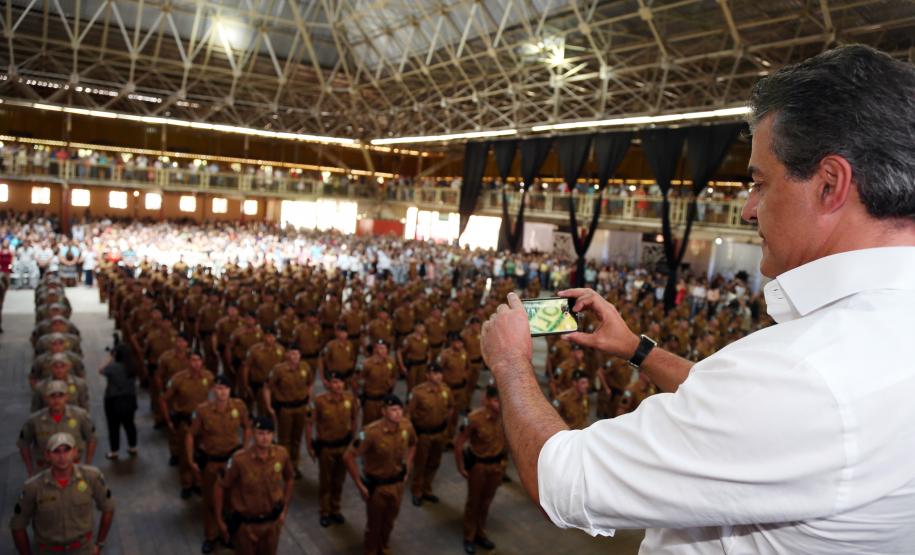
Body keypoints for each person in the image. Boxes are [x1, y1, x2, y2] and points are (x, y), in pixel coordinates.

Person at [478, 45, 915, 553]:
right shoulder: (872, 336)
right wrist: (637, 350)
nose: (749, 211)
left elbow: (564, 480)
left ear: (830, 184)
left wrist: (510, 362)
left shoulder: (808, 372)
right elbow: (749, 418)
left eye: (760, 182)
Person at [10, 433, 115, 555]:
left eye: (67, 450)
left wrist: (100, 544)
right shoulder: (33, 487)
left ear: (75, 452)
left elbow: (108, 507)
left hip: (83, 550)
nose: (62, 456)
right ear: (47, 455)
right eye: (56, 451)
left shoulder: (91, 477)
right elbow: (17, 525)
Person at [344, 394, 417, 555]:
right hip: (377, 488)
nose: (397, 413)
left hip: (397, 484)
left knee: (389, 521)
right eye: (393, 410)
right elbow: (348, 456)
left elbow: (413, 445)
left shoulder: (406, 427)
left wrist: (408, 466)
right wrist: (359, 484)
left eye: (399, 409)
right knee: (374, 525)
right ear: (383, 411)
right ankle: (371, 550)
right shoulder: (369, 433)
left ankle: (383, 547)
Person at [187, 375, 251, 554]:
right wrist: (191, 460)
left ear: (230, 390)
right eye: (218, 388)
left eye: (225, 388)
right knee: (210, 501)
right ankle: (211, 535)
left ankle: (228, 535)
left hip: (232, 462)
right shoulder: (203, 411)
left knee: (232, 500)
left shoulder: (239, 406)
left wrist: (245, 449)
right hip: (212, 463)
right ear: (213, 390)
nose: (221, 391)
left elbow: (247, 427)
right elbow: (191, 434)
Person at [215, 417, 293, 555]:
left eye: (269, 433)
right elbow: (221, 486)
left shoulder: (281, 455)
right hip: (246, 527)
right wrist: (220, 520)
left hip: (272, 524)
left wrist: (284, 508)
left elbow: (289, 478)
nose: (265, 438)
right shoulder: (239, 460)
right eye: (261, 433)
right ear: (252, 434)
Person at [454, 385, 504, 554]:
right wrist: (460, 466)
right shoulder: (474, 418)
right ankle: (469, 536)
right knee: (474, 502)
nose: (499, 404)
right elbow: (459, 443)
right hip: (479, 467)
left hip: (496, 467)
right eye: (497, 400)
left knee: (486, 502)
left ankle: (480, 533)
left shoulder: (505, 417)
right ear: (488, 400)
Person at [305, 371, 359, 527]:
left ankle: (335, 509)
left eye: (341, 382)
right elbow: (309, 424)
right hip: (326, 448)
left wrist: (353, 440)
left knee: (339, 480)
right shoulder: (319, 401)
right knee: (326, 481)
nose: (338, 385)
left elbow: (354, 418)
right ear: (328, 384)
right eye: (334, 382)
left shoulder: (349, 398)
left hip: (343, 447)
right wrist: (309, 446)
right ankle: (325, 511)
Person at [18, 381, 96, 476]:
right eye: (52, 396)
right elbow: (23, 443)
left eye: (60, 396)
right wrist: (30, 470)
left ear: (67, 397)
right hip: (44, 470)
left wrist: (87, 465)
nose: (56, 400)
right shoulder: (35, 420)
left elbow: (92, 438)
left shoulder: (80, 416)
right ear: (46, 398)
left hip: (73, 470)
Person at [406, 364, 453, 506]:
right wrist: (412, 435)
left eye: (440, 373)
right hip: (423, 434)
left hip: (439, 433)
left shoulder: (446, 390)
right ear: (427, 375)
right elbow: (408, 414)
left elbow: (451, 407)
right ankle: (417, 491)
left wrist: (446, 423)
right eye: (434, 373)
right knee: (420, 464)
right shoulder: (418, 392)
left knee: (434, 462)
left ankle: (427, 488)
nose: (438, 376)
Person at [263, 348, 313, 479]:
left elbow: (309, 383)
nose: (295, 356)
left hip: (301, 407)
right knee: (285, 440)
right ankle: (284, 466)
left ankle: (294, 465)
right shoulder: (278, 370)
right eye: (291, 353)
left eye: (297, 353)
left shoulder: (305, 367)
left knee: (296, 439)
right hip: (285, 409)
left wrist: (309, 399)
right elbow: (267, 387)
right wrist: (269, 406)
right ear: (286, 355)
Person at [100, 343, 138, 459]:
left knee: (113, 426)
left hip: (114, 400)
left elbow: (101, 370)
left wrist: (110, 357)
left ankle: (114, 451)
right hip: (130, 399)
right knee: (129, 424)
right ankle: (132, 447)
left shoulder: (113, 367)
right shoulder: (132, 366)